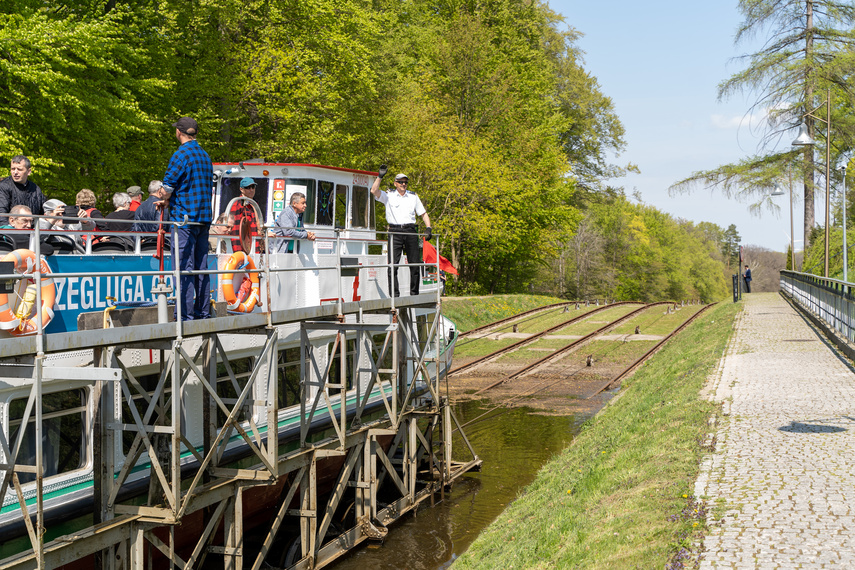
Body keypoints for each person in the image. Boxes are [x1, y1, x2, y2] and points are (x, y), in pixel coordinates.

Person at [159, 117, 213, 321]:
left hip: (184, 220)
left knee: (183, 268)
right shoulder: (205, 156)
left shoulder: (181, 154)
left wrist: (164, 197)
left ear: (179, 133)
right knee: (201, 267)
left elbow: (167, 189)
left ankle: (184, 316)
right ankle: (203, 312)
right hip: (204, 218)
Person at [370, 169, 432, 297]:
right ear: (395, 183)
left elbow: (423, 213)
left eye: (405, 182)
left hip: (410, 231)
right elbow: (373, 191)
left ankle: (414, 294)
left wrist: (428, 228)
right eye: (400, 182)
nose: (403, 184)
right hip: (395, 231)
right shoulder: (389, 195)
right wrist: (380, 176)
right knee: (393, 265)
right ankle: (394, 296)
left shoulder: (413, 196)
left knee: (414, 264)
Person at [0, 156, 46, 221]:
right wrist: (9, 230)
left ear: (29, 171)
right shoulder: (3, 187)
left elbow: (43, 214)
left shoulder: (36, 189)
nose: (15, 172)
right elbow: (1, 216)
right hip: (11, 229)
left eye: (19, 169)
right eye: (13, 169)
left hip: (33, 230)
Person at [229, 177, 262, 252]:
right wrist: (238, 251)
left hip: (254, 245)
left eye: (253, 187)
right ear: (241, 189)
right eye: (248, 187)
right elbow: (235, 229)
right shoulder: (237, 204)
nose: (251, 190)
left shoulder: (254, 204)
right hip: (243, 248)